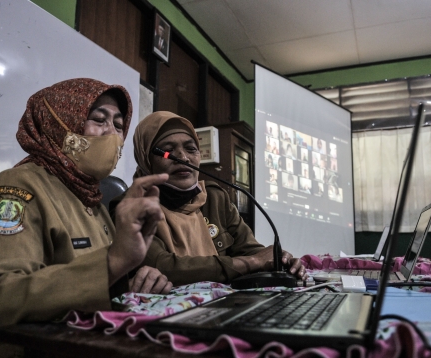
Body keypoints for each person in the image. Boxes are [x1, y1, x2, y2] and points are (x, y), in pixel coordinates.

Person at [0, 78, 172, 356]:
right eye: (98, 119)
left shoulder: (92, 200)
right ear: (59, 123)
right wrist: (112, 261)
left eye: (119, 125)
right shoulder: (14, 191)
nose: (111, 134)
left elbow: (87, 285)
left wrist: (135, 280)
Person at [110, 111, 307, 286]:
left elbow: (252, 251)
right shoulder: (129, 207)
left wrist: (280, 260)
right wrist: (250, 263)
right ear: (146, 159)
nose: (183, 157)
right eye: (168, 150)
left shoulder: (215, 198)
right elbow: (163, 266)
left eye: (191, 148)